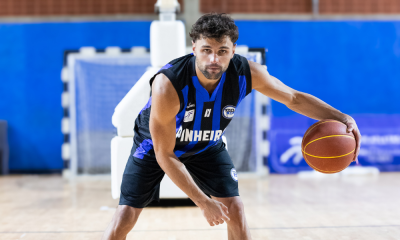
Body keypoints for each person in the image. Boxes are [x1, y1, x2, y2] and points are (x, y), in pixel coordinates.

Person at [102, 13, 361, 240]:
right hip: (155, 147)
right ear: (194, 48)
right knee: (126, 215)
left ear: (233, 50)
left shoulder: (248, 73)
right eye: (206, 50)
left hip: (206, 145)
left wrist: (343, 118)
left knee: (236, 209)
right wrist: (203, 202)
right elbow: (165, 154)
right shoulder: (167, 85)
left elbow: (293, 98)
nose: (213, 58)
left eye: (222, 51)